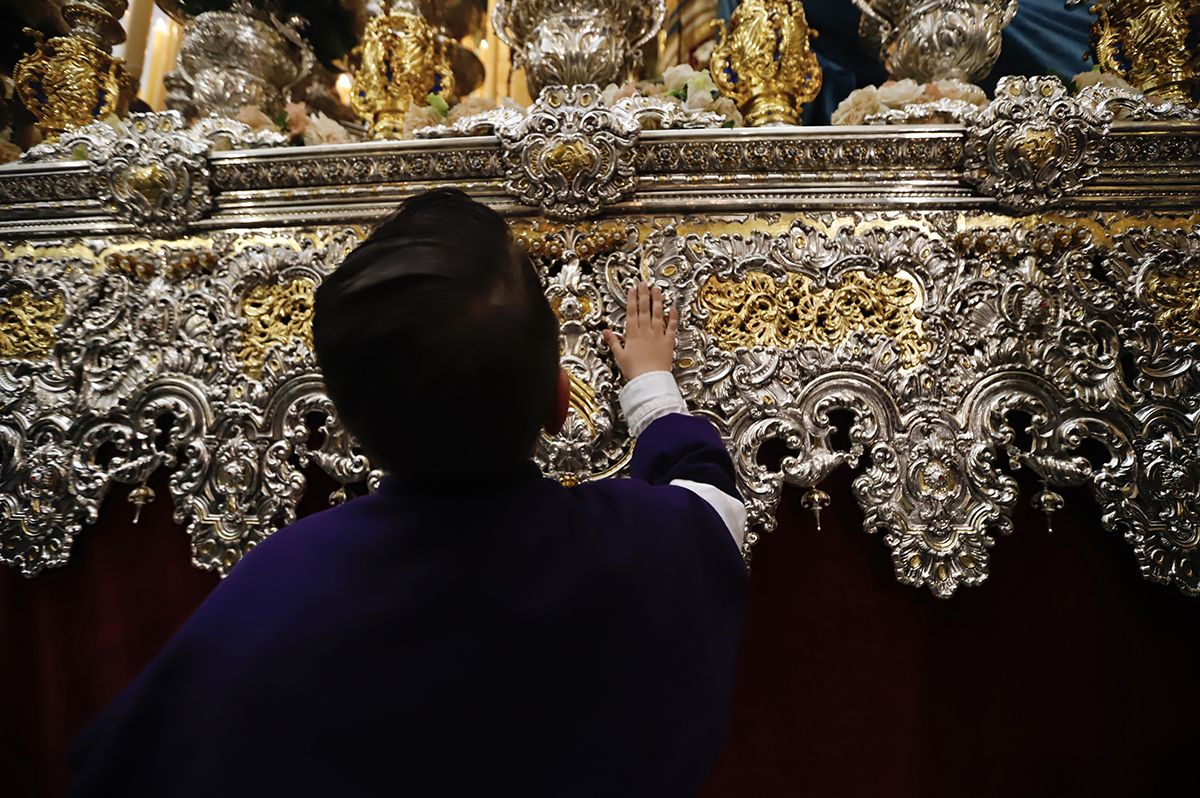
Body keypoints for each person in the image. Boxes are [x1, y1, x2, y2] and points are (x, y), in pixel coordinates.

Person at [69, 189, 748, 797]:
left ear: (349, 428)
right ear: (562, 402)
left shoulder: (277, 586)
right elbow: (709, 498)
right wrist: (652, 387)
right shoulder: (644, 548)